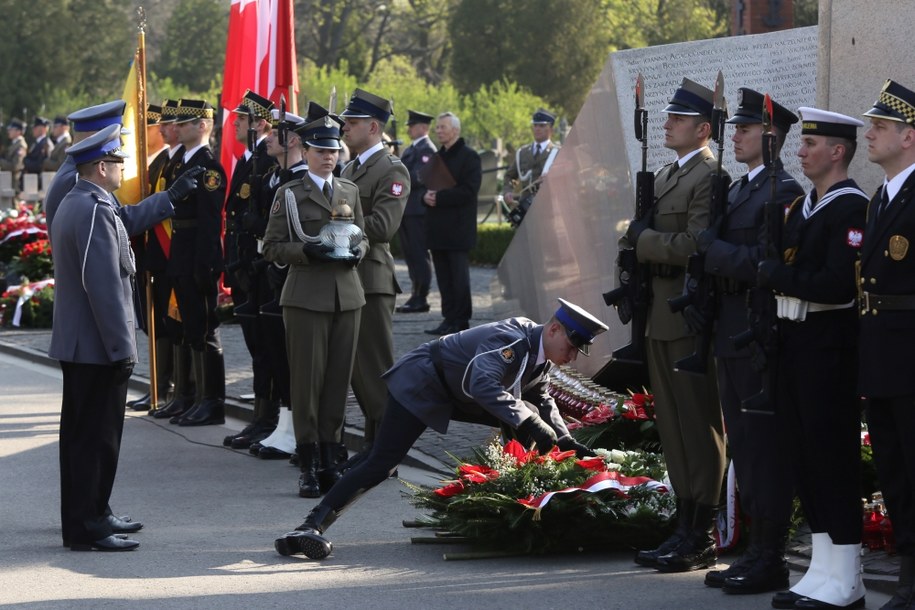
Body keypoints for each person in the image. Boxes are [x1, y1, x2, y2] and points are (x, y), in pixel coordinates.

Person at [273, 298, 606, 560]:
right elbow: (482, 383)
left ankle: (515, 510)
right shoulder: (511, 341)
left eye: (578, 349)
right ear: (553, 331)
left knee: (525, 419)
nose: (573, 356)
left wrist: (565, 440)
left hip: (453, 389)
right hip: (421, 382)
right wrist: (530, 421)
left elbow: (543, 400)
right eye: (572, 346)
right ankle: (310, 527)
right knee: (382, 462)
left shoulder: (541, 357)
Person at [48, 123, 199, 551]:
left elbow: (125, 219)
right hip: (97, 346)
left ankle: (91, 515)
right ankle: (89, 526)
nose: (122, 168)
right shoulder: (93, 208)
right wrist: (121, 347)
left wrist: (170, 198)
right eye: (117, 161)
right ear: (101, 167)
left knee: (84, 439)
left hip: (83, 344)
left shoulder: (86, 201)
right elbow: (104, 286)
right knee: (96, 441)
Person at [755, 106, 868, 609]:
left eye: (810, 144)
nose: (799, 151)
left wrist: (776, 276)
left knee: (832, 460)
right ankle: (823, 569)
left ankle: (848, 578)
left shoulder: (850, 207)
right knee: (804, 458)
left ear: (838, 151)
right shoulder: (803, 205)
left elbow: (838, 284)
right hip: (794, 343)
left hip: (828, 346)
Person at [618, 77, 727, 573]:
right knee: (672, 423)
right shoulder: (665, 174)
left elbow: (698, 244)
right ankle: (683, 521)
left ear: (704, 128)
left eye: (679, 119)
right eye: (669, 117)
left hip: (685, 312)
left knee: (698, 423)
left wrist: (642, 242)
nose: (667, 124)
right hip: (657, 311)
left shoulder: (708, 175)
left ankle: (702, 528)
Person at [698, 89, 804, 594]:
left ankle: (771, 557)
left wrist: (714, 252)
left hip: (757, 335)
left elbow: (769, 267)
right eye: (735, 129)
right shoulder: (741, 190)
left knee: (764, 450)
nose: (734, 137)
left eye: (743, 130)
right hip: (727, 332)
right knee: (742, 444)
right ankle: (755, 552)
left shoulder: (782, 193)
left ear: (770, 137)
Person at [262, 111, 368, 497]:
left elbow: (361, 236)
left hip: (347, 295)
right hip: (306, 298)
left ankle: (331, 460)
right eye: (320, 150)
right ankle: (307, 465)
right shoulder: (288, 194)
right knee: (307, 382)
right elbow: (271, 247)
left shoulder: (349, 190)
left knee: (338, 382)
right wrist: (307, 250)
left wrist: (356, 251)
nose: (328, 157)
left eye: (333, 150)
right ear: (305, 152)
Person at [857, 79, 915, 610]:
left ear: (909, 135)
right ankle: (908, 574)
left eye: (879, 127)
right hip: (880, 357)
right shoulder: (881, 198)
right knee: (895, 472)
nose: (869, 134)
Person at [340, 89, 410, 449]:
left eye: (351, 122)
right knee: (354, 370)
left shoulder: (391, 168)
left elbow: (383, 226)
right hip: (348, 277)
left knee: (376, 369)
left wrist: (339, 220)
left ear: (373, 126)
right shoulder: (350, 167)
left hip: (371, 279)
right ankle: (373, 447)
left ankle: (385, 450)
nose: (345, 128)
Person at [245, 107, 309, 459]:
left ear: (294, 139)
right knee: (272, 351)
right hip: (269, 270)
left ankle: (296, 426)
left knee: (289, 353)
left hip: (288, 271)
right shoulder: (274, 176)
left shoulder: (298, 179)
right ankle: (284, 420)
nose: (268, 136)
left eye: (277, 132)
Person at [221, 90, 280, 448]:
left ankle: (268, 418)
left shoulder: (265, 161)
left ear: (260, 124)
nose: (236, 124)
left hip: (258, 268)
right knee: (257, 348)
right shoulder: (249, 159)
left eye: (241, 119)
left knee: (265, 348)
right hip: (243, 266)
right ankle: (261, 417)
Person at [164, 99, 227, 427]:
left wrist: (206, 265)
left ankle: (212, 401)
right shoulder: (181, 163)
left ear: (203, 125)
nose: (177, 128)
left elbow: (209, 221)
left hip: (197, 257)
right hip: (181, 253)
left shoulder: (208, 167)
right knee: (190, 328)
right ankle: (194, 397)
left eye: (184, 124)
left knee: (204, 329)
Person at [423, 111, 482, 336]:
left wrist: (440, 198)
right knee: (444, 279)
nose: (438, 131)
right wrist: (424, 198)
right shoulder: (437, 157)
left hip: (458, 229)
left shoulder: (470, 157)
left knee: (459, 279)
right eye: (437, 128)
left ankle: (461, 321)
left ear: (455, 130)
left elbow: (469, 191)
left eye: (442, 127)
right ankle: (448, 319)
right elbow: (425, 187)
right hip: (437, 229)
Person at [44, 100, 128, 229]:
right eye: (113, 136)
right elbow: (109, 224)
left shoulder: (76, 170)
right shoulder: (77, 177)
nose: (120, 142)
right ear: (94, 137)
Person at [395, 109, 436, 314]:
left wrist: (398, 176)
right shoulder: (412, 149)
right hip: (407, 208)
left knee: (419, 254)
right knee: (410, 254)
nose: (409, 129)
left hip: (418, 210)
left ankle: (422, 296)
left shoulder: (427, 149)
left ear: (423, 127)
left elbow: (421, 176)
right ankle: (415, 293)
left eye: (412, 125)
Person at [502, 108, 561, 222]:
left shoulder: (558, 153)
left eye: (542, 126)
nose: (537, 129)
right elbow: (509, 176)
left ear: (551, 129)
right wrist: (507, 191)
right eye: (535, 125)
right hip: (525, 210)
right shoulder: (522, 153)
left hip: (550, 211)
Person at [23, 116, 51, 187]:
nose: (33, 130)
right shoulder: (36, 142)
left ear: (43, 129)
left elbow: (40, 165)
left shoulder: (45, 143)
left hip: (39, 182)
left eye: (35, 128)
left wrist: (25, 162)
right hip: (32, 180)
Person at [0, 118, 26, 194]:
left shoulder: (21, 145)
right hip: (9, 181)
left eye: (11, 129)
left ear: (18, 131)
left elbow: (15, 166)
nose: (9, 131)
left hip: (15, 183)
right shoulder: (14, 144)